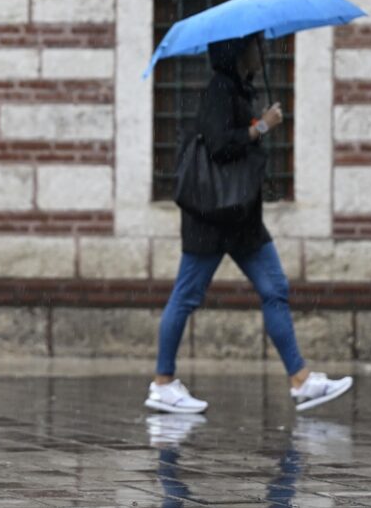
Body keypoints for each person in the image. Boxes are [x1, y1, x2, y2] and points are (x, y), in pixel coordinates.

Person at [145, 34, 352, 414]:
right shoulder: (219, 91)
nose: (262, 51)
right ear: (236, 53)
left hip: (239, 218)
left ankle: (301, 380)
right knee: (186, 296)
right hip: (211, 218)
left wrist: (259, 123)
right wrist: (263, 126)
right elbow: (221, 145)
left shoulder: (239, 89)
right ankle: (163, 383)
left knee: (275, 288)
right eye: (255, 46)